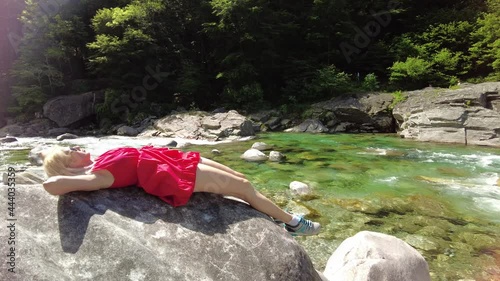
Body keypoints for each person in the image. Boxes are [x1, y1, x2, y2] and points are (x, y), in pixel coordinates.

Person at [42, 145, 321, 236]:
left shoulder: (100, 159)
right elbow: (50, 186)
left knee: (240, 176)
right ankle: (293, 223)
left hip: (174, 158)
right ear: (68, 165)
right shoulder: (98, 176)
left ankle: (271, 212)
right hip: (173, 174)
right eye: (71, 152)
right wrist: (71, 177)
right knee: (245, 188)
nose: (78, 148)